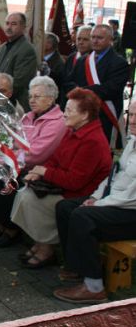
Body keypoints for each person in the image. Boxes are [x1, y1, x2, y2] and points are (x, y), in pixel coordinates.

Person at [11, 88, 112, 269]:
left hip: (82, 193)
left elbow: (76, 181)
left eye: (69, 111)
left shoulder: (92, 140)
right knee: (24, 192)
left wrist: (45, 172)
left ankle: (47, 248)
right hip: (65, 186)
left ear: (84, 115)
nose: (64, 114)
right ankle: (42, 242)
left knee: (30, 199)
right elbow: (55, 158)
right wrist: (37, 171)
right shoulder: (73, 129)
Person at [53, 101, 136, 304]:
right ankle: (77, 268)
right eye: (130, 114)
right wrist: (96, 197)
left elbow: (131, 197)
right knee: (65, 207)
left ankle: (94, 287)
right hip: (118, 202)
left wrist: (99, 204)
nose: (132, 120)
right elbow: (114, 176)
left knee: (83, 216)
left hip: (131, 209)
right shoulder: (133, 141)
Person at [0, 76, 64, 247]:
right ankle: (1, 221)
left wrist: (3, 160)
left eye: (37, 96)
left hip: (38, 169)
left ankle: (10, 228)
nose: (32, 100)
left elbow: (35, 154)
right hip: (19, 163)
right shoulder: (29, 117)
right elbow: (13, 142)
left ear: (51, 98)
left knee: (5, 179)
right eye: (31, 96)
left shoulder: (57, 122)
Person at [64, 24, 130, 147]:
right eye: (93, 37)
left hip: (103, 114)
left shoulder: (119, 63)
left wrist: (81, 91)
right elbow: (68, 83)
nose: (95, 40)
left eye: (100, 37)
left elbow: (110, 89)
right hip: (80, 113)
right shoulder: (83, 60)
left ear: (111, 40)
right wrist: (79, 91)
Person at [0, 12, 38, 111]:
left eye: (13, 24)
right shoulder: (1, 48)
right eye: (7, 23)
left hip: (14, 106)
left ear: (23, 27)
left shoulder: (27, 50)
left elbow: (19, 83)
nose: (9, 27)